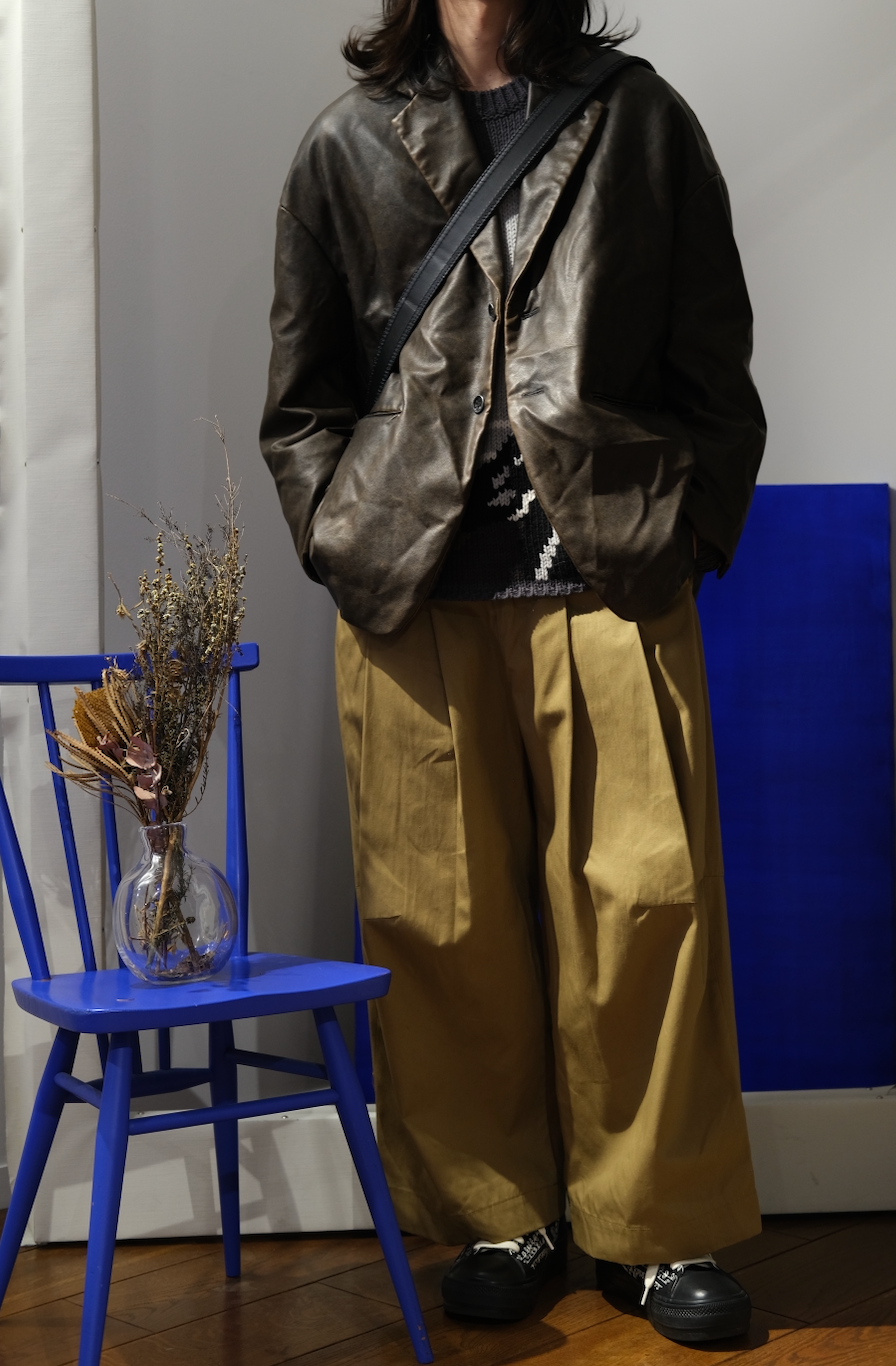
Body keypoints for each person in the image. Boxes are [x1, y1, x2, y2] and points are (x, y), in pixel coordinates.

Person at [261, 0, 766, 1343]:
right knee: (440, 921)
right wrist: (339, 536)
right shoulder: (344, 145)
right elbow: (302, 401)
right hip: (414, 596)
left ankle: (655, 1227)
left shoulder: (640, 122)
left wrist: (688, 529)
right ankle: (502, 1214)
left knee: (649, 910)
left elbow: (715, 359)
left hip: (609, 582)